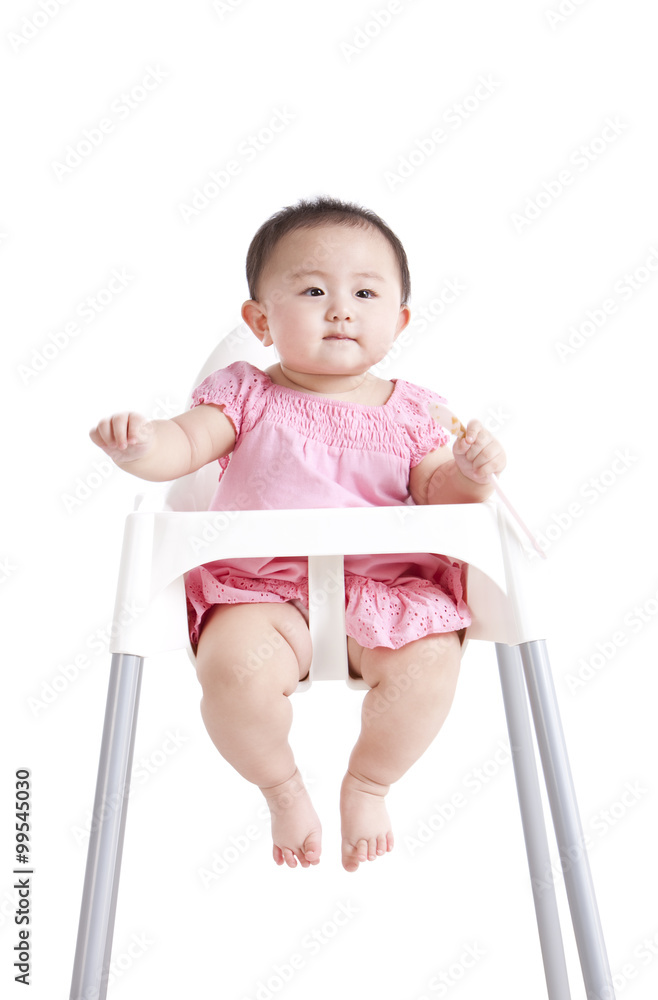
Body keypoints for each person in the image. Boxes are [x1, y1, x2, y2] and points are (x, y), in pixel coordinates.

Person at [89, 196, 506, 873]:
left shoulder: (416, 411)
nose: (340, 307)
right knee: (231, 675)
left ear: (397, 319)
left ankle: (369, 782)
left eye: (364, 292)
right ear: (260, 320)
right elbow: (183, 444)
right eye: (312, 290)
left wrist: (469, 474)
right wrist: (141, 447)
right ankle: (281, 788)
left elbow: (439, 494)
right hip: (262, 592)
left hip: (387, 593)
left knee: (430, 666)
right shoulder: (245, 395)